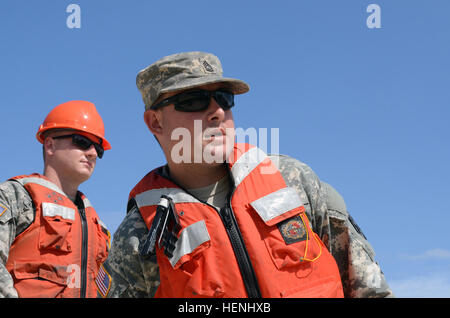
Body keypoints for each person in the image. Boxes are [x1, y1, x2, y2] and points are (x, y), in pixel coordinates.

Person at [103, 52, 394, 298]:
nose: (217, 111)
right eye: (193, 100)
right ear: (155, 122)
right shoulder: (139, 233)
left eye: (223, 98)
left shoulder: (292, 180)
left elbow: (367, 286)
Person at [0, 100, 112, 298]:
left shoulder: (100, 228)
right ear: (50, 145)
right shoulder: (17, 196)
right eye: (82, 142)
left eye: (98, 149)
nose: (93, 153)